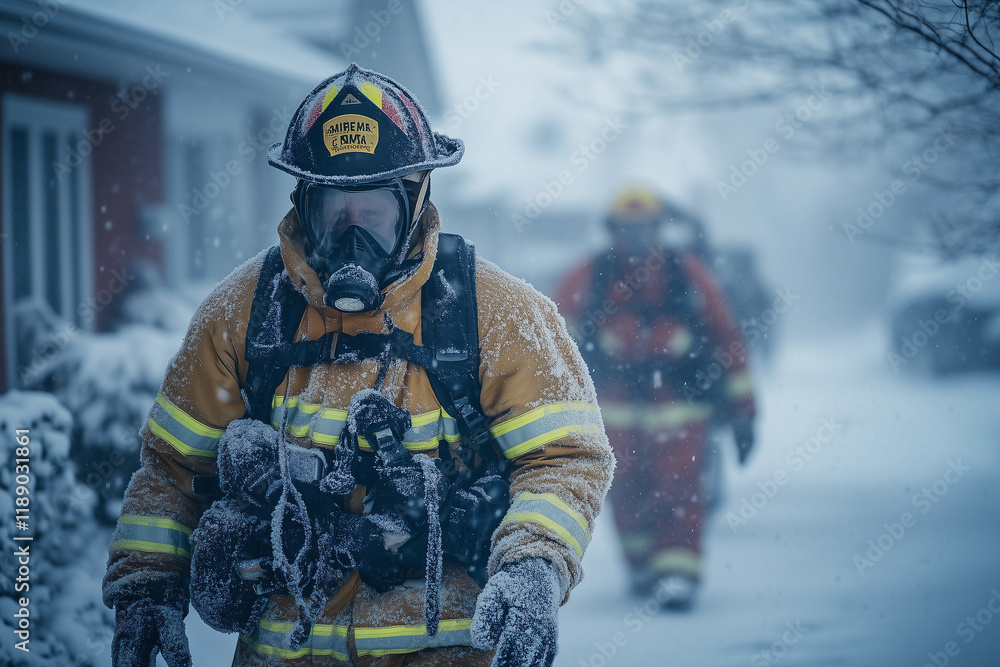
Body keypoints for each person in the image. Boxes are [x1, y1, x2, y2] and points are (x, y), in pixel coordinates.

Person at [102, 63, 613, 667]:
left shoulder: (497, 314)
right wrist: (148, 584)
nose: (351, 241)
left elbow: (565, 458)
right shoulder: (242, 313)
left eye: (371, 216)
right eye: (333, 213)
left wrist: (535, 563)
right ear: (303, 203)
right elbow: (169, 469)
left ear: (416, 200)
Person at [554, 186, 755, 610]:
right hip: (614, 413)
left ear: (661, 229)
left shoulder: (688, 273)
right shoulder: (588, 277)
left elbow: (726, 338)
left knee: (679, 490)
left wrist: (744, 412)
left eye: (646, 228)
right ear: (612, 231)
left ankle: (678, 572)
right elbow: (551, 339)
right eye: (628, 230)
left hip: (680, 410)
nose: (637, 238)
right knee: (626, 492)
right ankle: (643, 565)